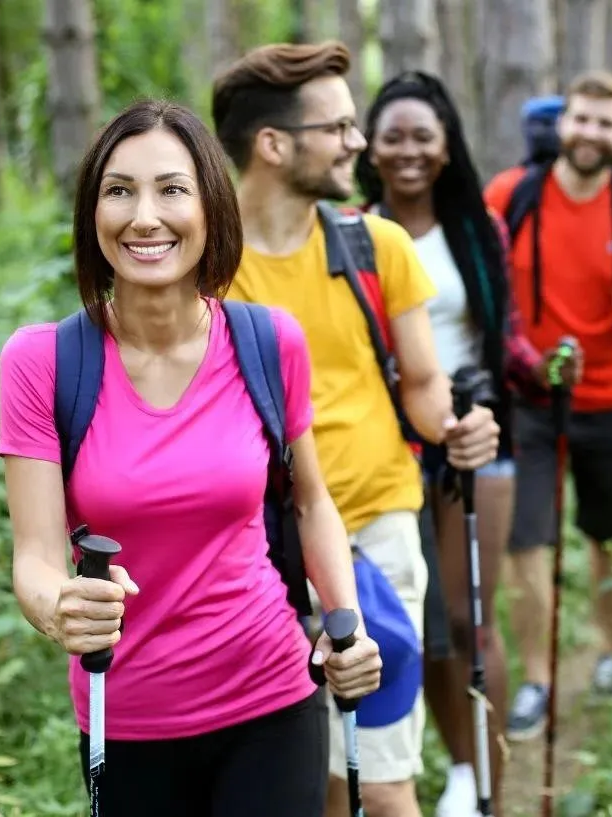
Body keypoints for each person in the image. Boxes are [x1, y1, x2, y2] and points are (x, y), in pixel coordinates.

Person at [0, 98, 383, 816]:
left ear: (210, 210)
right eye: (119, 191)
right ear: (92, 214)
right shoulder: (42, 361)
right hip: (127, 712)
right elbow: (35, 556)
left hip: (271, 693)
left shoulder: (269, 342)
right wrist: (60, 609)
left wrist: (346, 624)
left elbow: (310, 502)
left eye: (171, 189)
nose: (145, 216)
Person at [210, 42, 502, 817]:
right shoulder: (203, 264)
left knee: (378, 778)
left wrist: (455, 428)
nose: (358, 142)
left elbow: (422, 386)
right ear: (273, 145)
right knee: (303, 779)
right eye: (337, 127)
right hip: (248, 562)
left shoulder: (379, 247)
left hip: (372, 534)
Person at [354, 69, 578, 817]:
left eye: (424, 135)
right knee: (415, 616)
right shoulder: (351, 231)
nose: (409, 150)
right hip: (389, 442)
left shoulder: (479, 229)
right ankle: (450, 766)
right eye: (394, 137)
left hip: (480, 434)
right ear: (371, 148)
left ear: (447, 146)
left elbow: (504, 332)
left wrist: (543, 375)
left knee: (465, 613)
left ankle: (482, 783)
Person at [483, 70, 612, 740]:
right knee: (524, 542)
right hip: (529, 397)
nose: (591, 133)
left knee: (606, 538)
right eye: (582, 119)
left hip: (611, 395)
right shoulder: (512, 195)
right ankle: (537, 679)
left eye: (606, 123)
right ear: (560, 123)